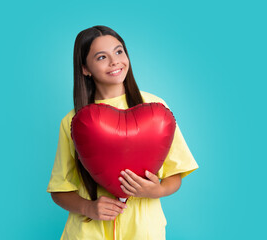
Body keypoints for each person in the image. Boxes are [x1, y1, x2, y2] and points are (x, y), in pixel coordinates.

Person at [46, 25, 199, 240]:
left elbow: (176, 174)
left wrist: (157, 191)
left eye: (119, 52)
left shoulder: (157, 109)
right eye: (101, 57)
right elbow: (59, 190)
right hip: (88, 233)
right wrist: (88, 208)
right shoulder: (72, 121)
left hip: (143, 231)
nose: (115, 61)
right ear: (85, 68)